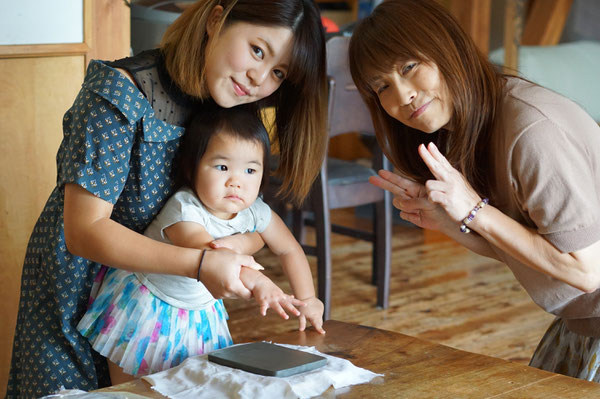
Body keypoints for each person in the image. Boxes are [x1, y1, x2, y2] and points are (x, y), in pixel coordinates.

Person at [7, 0, 327, 396]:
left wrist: (232, 246)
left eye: (279, 72)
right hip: (78, 286)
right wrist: (203, 261)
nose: (258, 77)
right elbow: (84, 230)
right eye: (257, 50)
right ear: (216, 18)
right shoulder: (119, 93)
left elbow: (249, 219)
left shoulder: (226, 101)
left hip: (164, 301)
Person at [348, 0, 600, 383]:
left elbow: (586, 271)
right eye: (382, 86)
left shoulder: (534, 132)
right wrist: (451, 224)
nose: (402, 95)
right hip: (582, 323)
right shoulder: (474, 127)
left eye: (409, 67)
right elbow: (532, 252)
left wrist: (474, 212)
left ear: (447, 46)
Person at [76, 106, 325, 383]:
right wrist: (260, 283)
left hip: (198, 312)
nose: (236, 181)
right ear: (192, 168)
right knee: (131, 388)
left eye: (250, 170)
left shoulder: (256, 211)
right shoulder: (184, 209)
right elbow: (211, 254)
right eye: (222, 167)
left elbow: (289, 248)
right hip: (147, 305)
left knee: (189, 382)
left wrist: (308, 298)